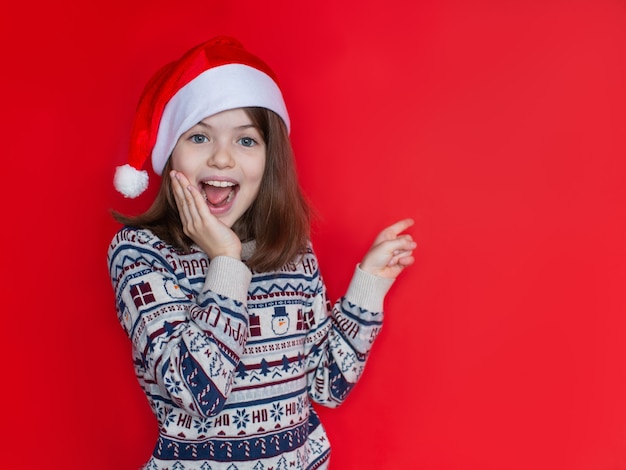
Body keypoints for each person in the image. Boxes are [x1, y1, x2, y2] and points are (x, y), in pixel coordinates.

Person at [107, 36, 416, 470]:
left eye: (245, 141)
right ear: (170, 153)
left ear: (270, 158)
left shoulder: (292, 253)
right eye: (199, 136)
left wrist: (370, 285)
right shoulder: (140, 254)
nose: (221, 158)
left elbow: (327, 385)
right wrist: (226, 262)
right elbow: (198, 393)